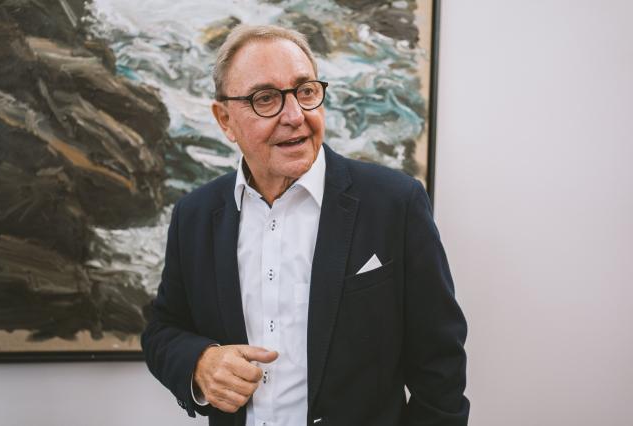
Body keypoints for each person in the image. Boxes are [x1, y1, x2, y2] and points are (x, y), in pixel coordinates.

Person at [141, 24, 469, 426]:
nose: (295, 116)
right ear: (225, 120)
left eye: (306, 91)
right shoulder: (194, 215)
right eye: (265, 99)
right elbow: (162, 330)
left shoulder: (395, 203)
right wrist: (200, 362)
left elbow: (440, 367)